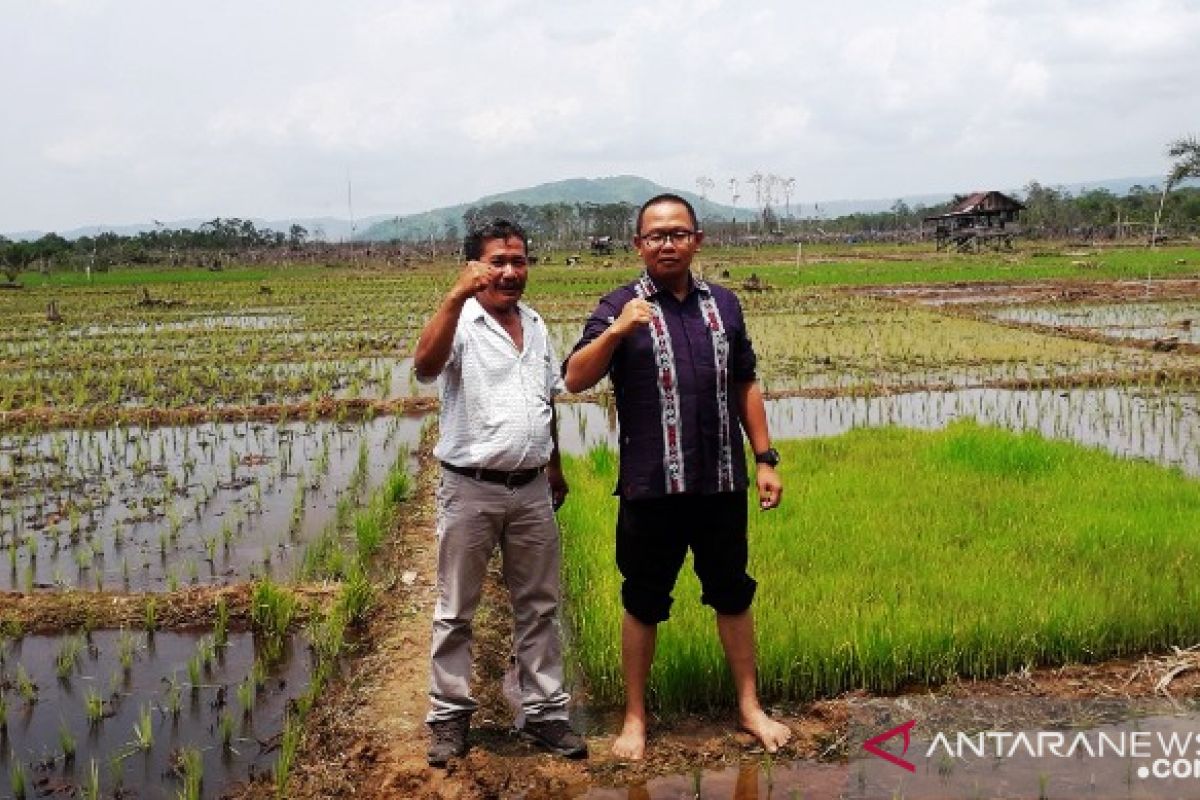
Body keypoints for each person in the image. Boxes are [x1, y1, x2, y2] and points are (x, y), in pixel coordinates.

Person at [563, 194, 791, 760]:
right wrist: (616, 332)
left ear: (697, 240)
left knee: (733, 594)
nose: (667, 243)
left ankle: (749, 707)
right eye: (656, 236)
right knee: (643, 600)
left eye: (678, 233)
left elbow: (745, 383)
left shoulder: (726, 305)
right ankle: (635, 719)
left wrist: (764, 459)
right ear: (639, 245)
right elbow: (574, 378)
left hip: (720, 483)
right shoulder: (620, 304)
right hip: (650, 487)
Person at [413, 218, 587, 766]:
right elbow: (424, 367)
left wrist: (554, 466)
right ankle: (449, 718)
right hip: (471, 489)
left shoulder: (535, 323)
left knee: (539, 606)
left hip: (532, 488)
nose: (510, 272)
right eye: (497, 262)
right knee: (456, 609)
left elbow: (546, 401)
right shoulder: (460, 321)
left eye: (519, 261)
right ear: (475, 266)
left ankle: (544, 715)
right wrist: (453, 297)